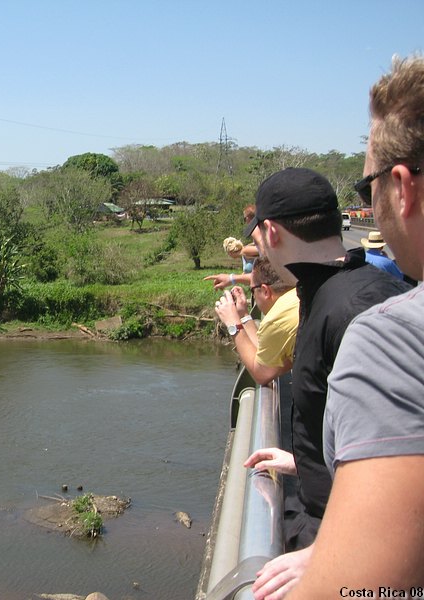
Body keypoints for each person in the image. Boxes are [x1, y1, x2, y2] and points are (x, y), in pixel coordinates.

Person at [288, 54, 424, 598]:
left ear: (401, 186)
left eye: (367, 183)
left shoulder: (393, 339)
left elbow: (362, 592)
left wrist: (338, 553)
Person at [240, 167, 410, 599]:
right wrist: (309, 460)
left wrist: (332, 555)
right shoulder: (331, 291)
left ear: (271, 233)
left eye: (256, 235)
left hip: (353, 553)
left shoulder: (355, 309)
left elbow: (409, 458)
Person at [213, 256, 298, 385]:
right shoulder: (295, 297)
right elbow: (265, 355)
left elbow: (262, 374)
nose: (252, 296)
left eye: (252, 291)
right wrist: (243, 315)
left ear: (265, 291)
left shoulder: (277, 319)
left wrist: (233, 325)